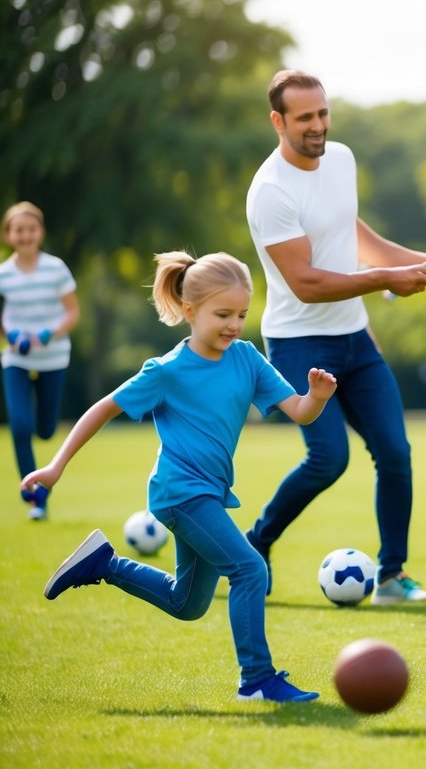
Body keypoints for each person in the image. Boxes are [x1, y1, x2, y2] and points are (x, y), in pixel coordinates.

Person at [28, 251, 337, 702]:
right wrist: (56, 466)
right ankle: (257, 680)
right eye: (223, 314)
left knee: (186, 604)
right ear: (190, 311)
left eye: (242, 314)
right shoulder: (167, 371)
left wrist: (318, 396)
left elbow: (301, 413)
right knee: (250, 568)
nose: (234, 324)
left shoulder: (247, 359)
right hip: (179, 493)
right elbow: (102, 409)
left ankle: (103, 564)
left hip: (209, 495)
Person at [244, 70, 426, 604]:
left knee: (395, 452)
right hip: (299, 344)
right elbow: (304, 283)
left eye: (323, 113)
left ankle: (393, 576)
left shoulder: (342, 159)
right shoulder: (270, 192)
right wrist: (385, 279)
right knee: (328, 459)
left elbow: (352, 234)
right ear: (278, 121)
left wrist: (412, 261)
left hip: (355, 337)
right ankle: (255, 544)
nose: (318, 126)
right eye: (305, 117)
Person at [1, 201, 80, 520]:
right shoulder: (3, 274)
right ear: (9, 235)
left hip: (53, 357)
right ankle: (36, 495)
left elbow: (73, 312)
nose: (25, 235)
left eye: (31, 229)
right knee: (20, 425)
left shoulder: (56, 268)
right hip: (15, 359)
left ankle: (42, 429)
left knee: (45, 430)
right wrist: (10, 334)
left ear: (40, 233)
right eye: (18, 230)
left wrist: (51, 332)